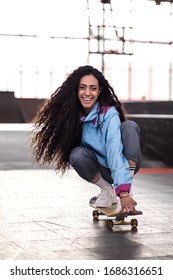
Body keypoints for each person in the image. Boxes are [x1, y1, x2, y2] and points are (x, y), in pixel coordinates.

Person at [31, 65, 141, 213]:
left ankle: (127, 187)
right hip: (102, 169)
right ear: (76, 90)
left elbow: (114, 150)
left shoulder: (109, 114)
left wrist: (124, 192)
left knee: (129, 127)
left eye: (93, 88)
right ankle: (107, 190)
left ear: (99, 91)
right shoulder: (72, 117)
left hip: (125, 164)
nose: (87, 93)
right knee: (76, 154)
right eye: (82, 88)